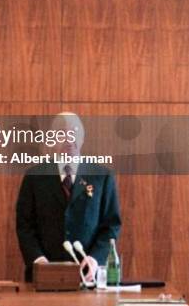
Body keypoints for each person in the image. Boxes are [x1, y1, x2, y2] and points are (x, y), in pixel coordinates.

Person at [16, 113, 121, 282]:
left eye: (74, 133)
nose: (69, 139)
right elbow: (25, 226)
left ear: (82, 138)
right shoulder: (34, 176)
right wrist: (38, 260)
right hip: (43, 277)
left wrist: (94, 259)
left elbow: (111, 226)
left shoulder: (102, 176)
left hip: (88, 275)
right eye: (62, 133)